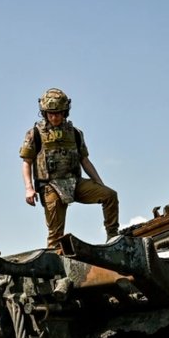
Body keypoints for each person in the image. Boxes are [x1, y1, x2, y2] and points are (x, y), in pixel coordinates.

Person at [19, 88, 120, 249]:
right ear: (44, 113)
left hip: (75, 182)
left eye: (58, 113)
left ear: (65, 112)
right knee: (56, 235)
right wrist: (29, 188)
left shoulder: (75, 133)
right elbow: (27, 162)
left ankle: (113, 237)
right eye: (50, 113)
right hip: (50, 186)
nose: (54, 117)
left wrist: (99, 182)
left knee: (109, 195)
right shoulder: (35, 134)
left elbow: (84, 160)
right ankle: (54, 266)